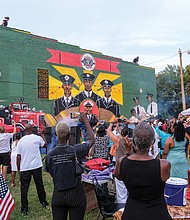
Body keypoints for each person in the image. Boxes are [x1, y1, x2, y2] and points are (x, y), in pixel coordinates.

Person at [114, 122, 172, 220]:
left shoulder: (122, 162)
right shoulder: (163, 165)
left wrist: (128, 153)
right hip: (157, 213)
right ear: (152, 142)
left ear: (134, 141)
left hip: (132, 213)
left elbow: (118, 175)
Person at [45, 112, 95, 220]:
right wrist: (86, 121)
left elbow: (50, 171)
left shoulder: (50, 154)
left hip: (58, 195)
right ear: (69, 135)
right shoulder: (76, 150)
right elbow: (91, 139)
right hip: (76, 195)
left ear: (56, 135)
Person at [17, 124, 48, 216]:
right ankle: (43, 201)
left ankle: (24, 208)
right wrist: (42, 134)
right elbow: (45, 145)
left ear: (25, 130)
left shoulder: (21, 141)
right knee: (39, 184)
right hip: (36, 166)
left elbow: (18, 156)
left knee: (24, 188)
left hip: (25, 167)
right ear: (31, 129)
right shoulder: (36, 138)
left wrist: (18, 168)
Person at [107, 120, 132, 204]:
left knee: (121, 194)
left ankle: (121, 211)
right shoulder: (135, 142)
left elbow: (108, 131)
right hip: (133, 168)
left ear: (122, 133)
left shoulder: (119, 141)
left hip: (121, 168)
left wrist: (112, 123)